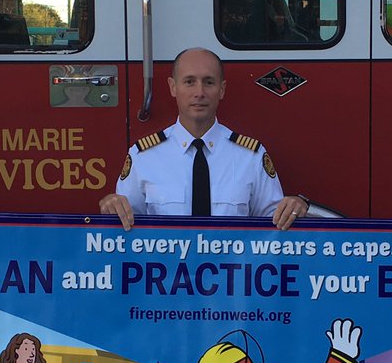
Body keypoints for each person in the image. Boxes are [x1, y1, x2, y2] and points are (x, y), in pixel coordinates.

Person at [98, 47, 308, 230]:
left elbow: (274, 226)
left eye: (208, 82)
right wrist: (111, 206)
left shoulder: (251, 156)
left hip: (232, 265)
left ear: (222, 90)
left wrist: (295, 208)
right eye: (189, 82)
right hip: (167, 265)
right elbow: (126, 228)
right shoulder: (144, 156)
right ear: (173, 87)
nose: (199, 92)